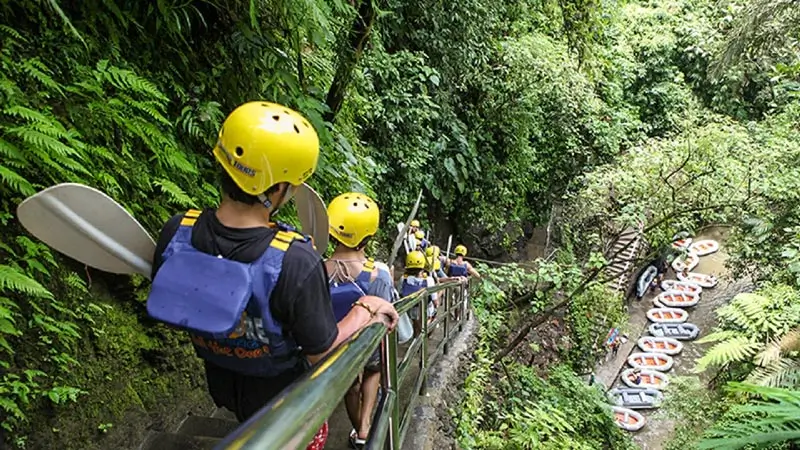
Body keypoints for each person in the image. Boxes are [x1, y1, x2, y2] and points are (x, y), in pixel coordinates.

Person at [146, 102, 398, 450]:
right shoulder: (296, 261)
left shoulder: (177, 231)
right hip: (285, 402)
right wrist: (364, 310)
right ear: (278, 188)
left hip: (223, 383)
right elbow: (320, 354)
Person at [325, 192, 392, 449]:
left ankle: (357, 428)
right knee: (373, 370)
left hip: (336, 343)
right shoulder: (379, 275)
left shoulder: (317, 269)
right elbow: (385, 316)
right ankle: (365, 427)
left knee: (350, 385)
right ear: (368, 235)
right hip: (367, 342)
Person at [400, 250, 438, 337]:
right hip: (426, 310)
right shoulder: (428, 280)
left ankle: (417, 338)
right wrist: (436, 307)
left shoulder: (403, 279)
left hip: (410, 310)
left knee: (416, 324)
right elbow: (435, 300)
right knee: (429, 320)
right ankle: (424, 332)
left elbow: (400, 293)